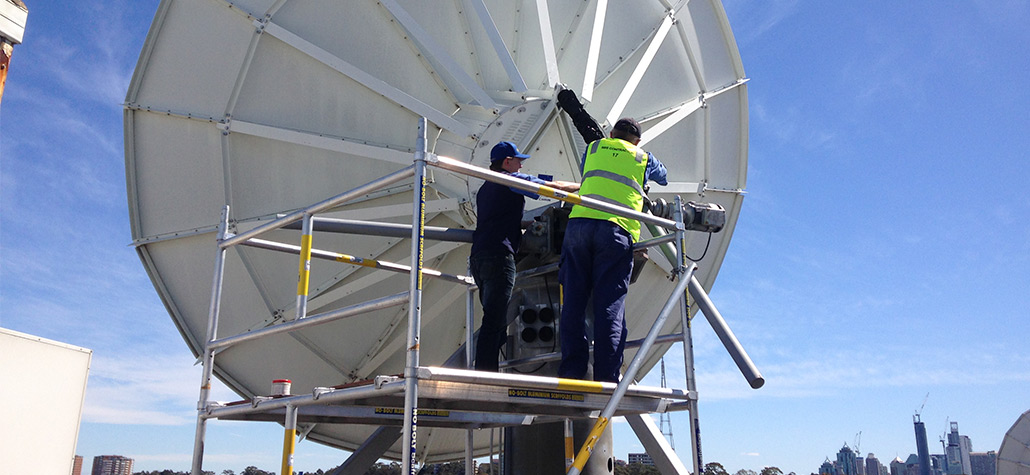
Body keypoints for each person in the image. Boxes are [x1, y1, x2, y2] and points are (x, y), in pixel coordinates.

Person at [555, 108, 668, 383]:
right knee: (609, 307)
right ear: (637, 142)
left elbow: (587, 174)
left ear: (611, 134)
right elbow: (663, 176)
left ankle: (572, 371)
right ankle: (607, 377)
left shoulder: (594, 148)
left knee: (573, 302)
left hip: (579, 225)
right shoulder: (642, 157)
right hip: (616, 231)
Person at [470, 141, 580, 372]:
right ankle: (485, 374)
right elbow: (550, 187)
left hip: (479, 257)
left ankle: (487, 369)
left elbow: (496, 219)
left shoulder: (485, 188)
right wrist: (583, 187)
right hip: (499, 257)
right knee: (494, 320)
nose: (521, 165)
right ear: (507, 162)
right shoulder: (510, 180)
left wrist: (524, 224)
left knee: (495, 318)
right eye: (518, 160)